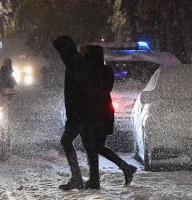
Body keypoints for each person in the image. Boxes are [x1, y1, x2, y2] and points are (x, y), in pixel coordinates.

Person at [84, 45, 137, 188]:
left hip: (94, 113)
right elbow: (105, 89)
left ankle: (97, 178)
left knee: (93, 146)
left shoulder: (90, 71)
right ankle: (123, 168)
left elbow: (90, 91)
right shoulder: (106, 70)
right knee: (98, 146)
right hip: (104, 112)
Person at [52, 35, 99, 190]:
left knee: (66, 141)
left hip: (80, 113)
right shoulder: (75, 62)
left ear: (66, 50)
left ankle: (78, 178)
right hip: (85, 112)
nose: (59, 55)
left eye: (60, 51)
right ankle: (93, 180)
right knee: (88, 144)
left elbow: (79, 91)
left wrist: (75, 115)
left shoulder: (75, 64)